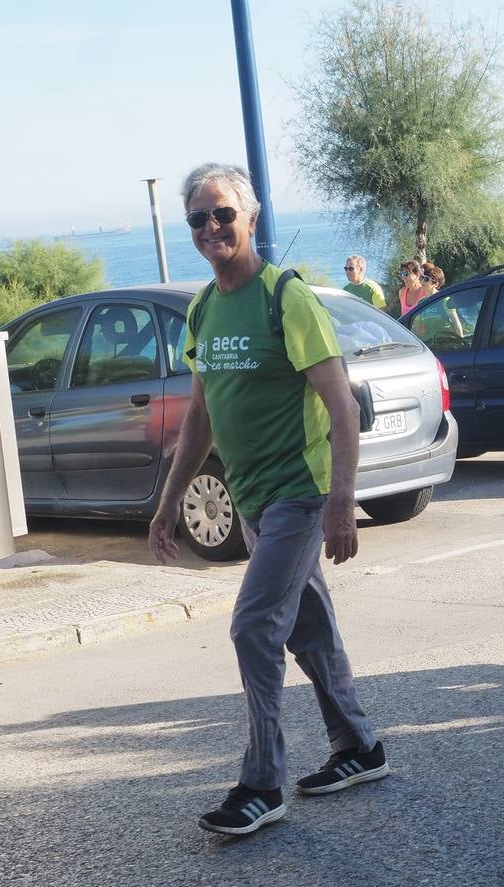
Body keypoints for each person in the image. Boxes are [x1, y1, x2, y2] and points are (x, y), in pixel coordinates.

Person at [148, 163, 387, 836]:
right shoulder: (201, 308)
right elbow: (200, 418)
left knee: (254, 625)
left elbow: (341, 408)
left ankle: (262, 782)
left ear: (251, 217)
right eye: (198, 218)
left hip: (299, 496)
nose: (211, 227)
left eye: (223, 213)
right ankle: (360, 747)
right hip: (251, 499)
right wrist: (168, 504)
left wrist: (343, 502)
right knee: (306, 627)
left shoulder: (286, 298)